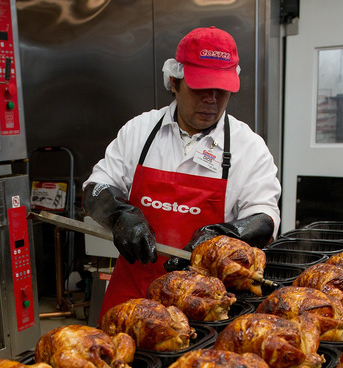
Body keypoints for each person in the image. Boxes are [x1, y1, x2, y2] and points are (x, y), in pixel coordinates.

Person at [82, 26, 282, 317]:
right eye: (201, 87)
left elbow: (265, 218)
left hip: (205, 305)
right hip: (132, 298)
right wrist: (119, 215)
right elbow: (96, 187)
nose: (212, 99)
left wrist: (223, 235)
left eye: (221, 89)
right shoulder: (140, 131)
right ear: (175, 82)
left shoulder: (248, 147)